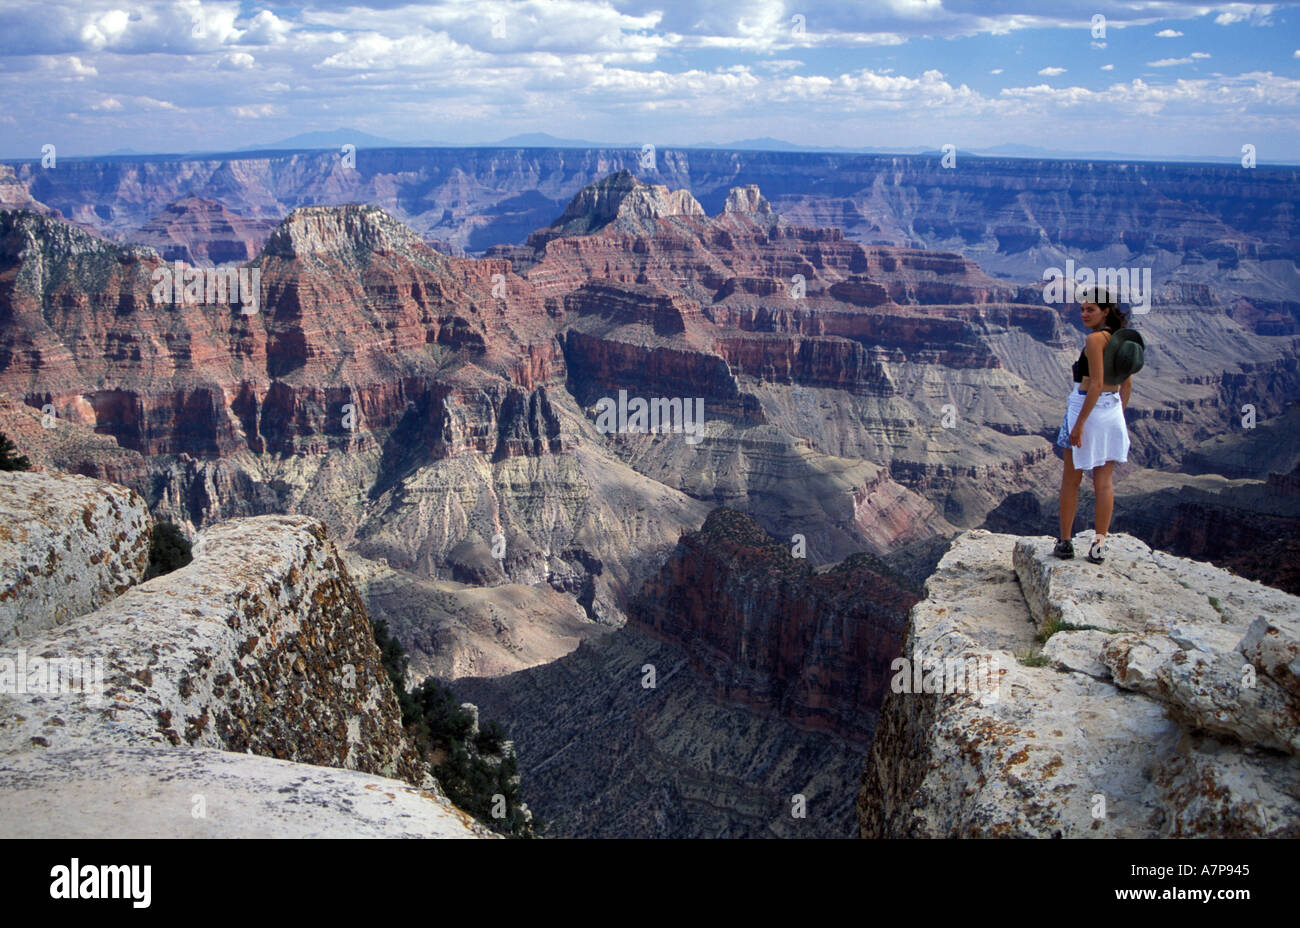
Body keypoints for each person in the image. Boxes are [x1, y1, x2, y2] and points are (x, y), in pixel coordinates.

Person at [1054, 286, 1133, 563]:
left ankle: (1065, 543)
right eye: (1082, 309)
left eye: (1091, 309)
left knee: (1071, 481)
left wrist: (1080, 424)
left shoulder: (1094, 340)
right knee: (1104, 483)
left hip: (1086, 407)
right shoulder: (1121, 339)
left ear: (1106, 311)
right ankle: (1099, 546)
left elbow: (1096, 383)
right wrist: (1116, 416)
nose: (1084, 314)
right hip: (1112, 411)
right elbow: (1127, 383)